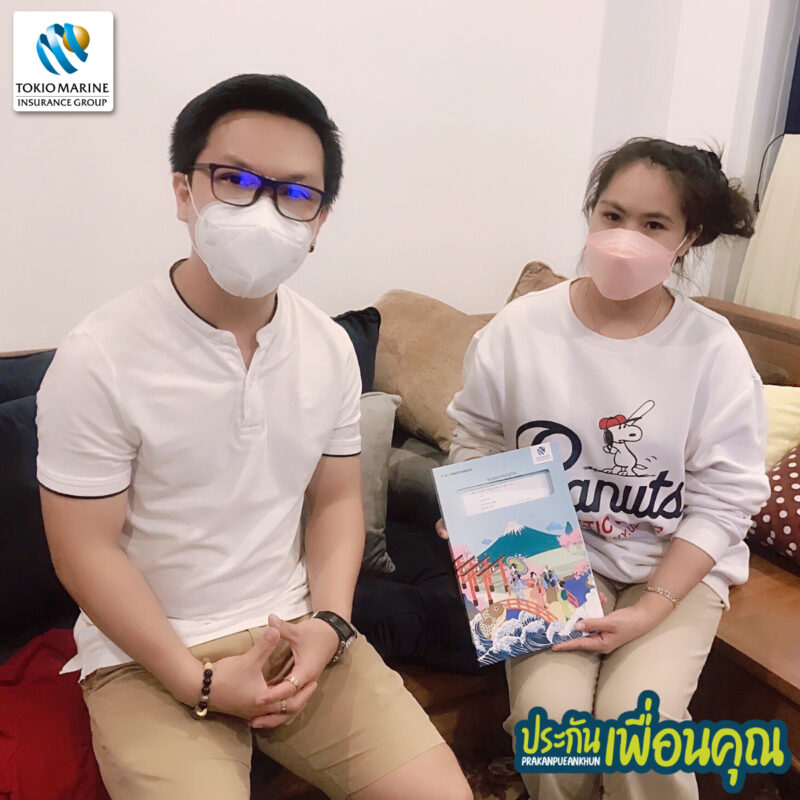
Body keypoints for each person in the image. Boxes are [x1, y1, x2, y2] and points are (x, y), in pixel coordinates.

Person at [37, 73, 471, 800]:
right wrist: (196, 680)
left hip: (293, 627)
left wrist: (331, 623)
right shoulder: (100, 356)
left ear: (319, 220)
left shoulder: (327, 348)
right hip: (148, 657)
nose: (265, 210)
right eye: (235, 180)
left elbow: (336, 502)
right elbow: (84, 550)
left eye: (296, 193)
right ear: (184, 191)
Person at [438, 137, 769, 800]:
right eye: (613, 215)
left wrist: (651, 609)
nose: (625, 239)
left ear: (688, 238)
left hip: (669, 567)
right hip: (545, 563)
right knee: (552, 734)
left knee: (638, 733)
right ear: (590, 213)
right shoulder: (519, 329)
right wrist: (475, 504)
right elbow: (476, 434)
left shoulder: (713, 350)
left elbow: (727, 498)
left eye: (654, 224)